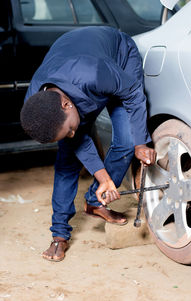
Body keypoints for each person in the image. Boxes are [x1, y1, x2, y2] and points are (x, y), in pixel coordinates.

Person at [20, 26, 156, 262]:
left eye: (71, 129)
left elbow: (133, 91)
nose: (74, 135)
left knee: (126, 141)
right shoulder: (37, 105)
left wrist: (141, 142)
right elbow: (75, 139)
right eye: (66, 133)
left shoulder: (93, 73)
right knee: (66, 160)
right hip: (77, 66)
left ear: (66, 105)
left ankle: (95, 201)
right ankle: (59, 235)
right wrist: (103, 177)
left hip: (118, 58)